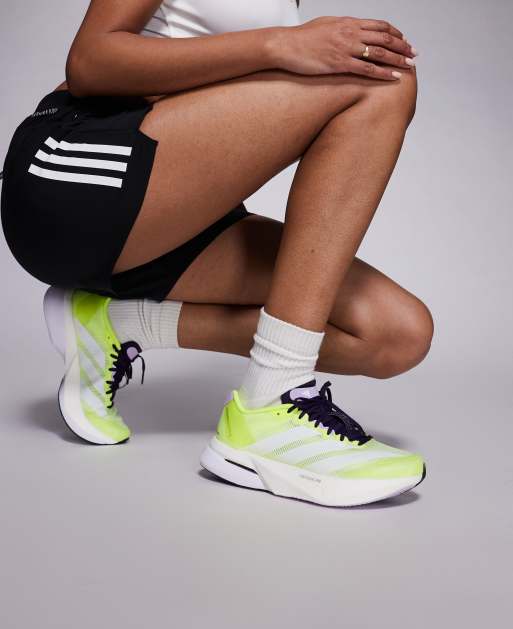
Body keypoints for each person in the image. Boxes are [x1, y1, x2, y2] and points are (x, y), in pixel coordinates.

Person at [0, 0, 432, 506]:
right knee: (380, 79)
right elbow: (90, 62)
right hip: (74, 175)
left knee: (394, 335)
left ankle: (119, 322)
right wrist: (281, 44)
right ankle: (270, 406)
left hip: (161, 213)